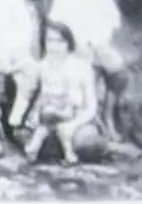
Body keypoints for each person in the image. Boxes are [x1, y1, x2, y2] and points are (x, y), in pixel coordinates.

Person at [45, 0, 131, 135]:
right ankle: (89, 118)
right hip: (73, 46)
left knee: (119, 73)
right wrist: (76, 44)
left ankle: (108, 114)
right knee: (86, 73)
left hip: (99, 44)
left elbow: (113, 20)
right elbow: (57, 22)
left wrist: (101, 42)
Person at [18, 20, 107, 164]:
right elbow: (38, 99)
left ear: (68, 43)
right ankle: (57, 148)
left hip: (78, 119)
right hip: (52, 120)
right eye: (50, 40)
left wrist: (73, 125)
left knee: (87, 145)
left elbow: (91, 108)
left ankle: (69, 147)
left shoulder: (82, 68)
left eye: (60, 41)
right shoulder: (43, 66)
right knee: (38, 138)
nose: (54, 46)